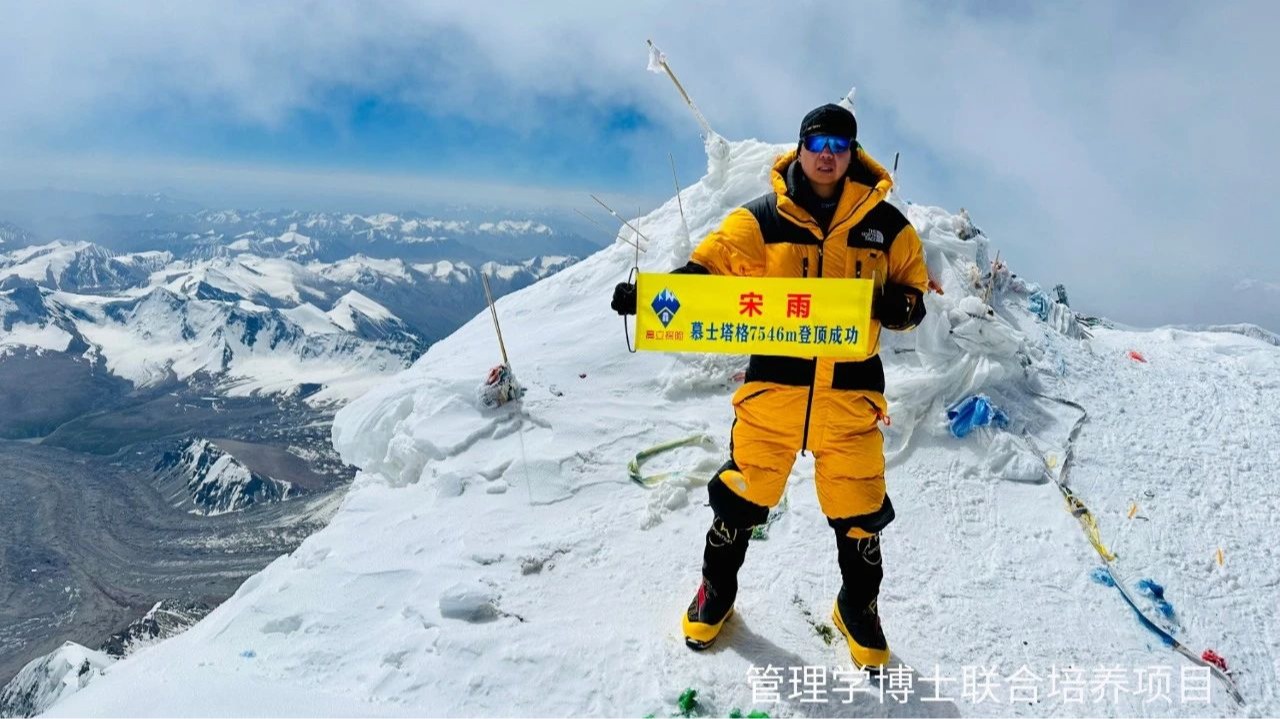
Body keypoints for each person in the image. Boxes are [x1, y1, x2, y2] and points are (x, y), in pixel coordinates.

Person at [611, 103, 929, 670]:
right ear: (800, 148)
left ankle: (858, 606)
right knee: (740, 499)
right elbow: (708, 272)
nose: (827, 155)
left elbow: (913, 295)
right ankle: (717, 591)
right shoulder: (761, 219)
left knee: (860, 509)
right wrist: (653, 298)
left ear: (853, 153)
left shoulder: (889, 226)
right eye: (818, 143)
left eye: (839, 144)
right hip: (773, 392)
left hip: (851, 395)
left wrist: (897, 305)